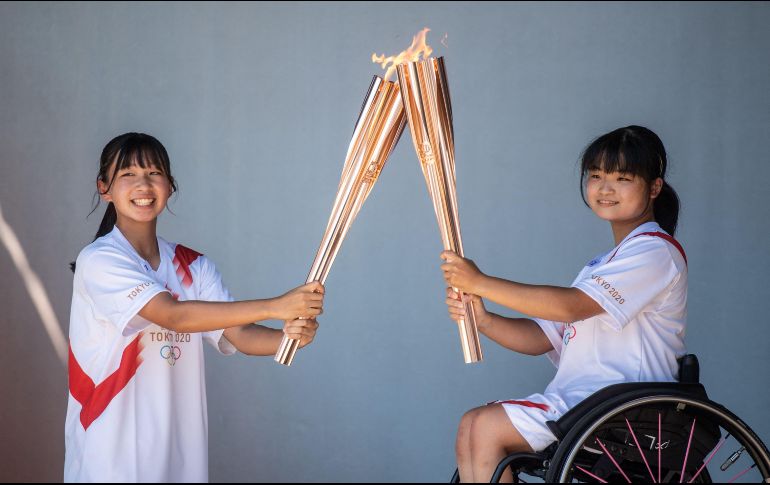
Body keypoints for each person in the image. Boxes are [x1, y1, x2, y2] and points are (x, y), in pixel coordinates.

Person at [64, 132, 324, 482]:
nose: (143, 184)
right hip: (112, 460)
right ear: (104, 187)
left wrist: (289, 337)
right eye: (128, 174)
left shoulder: (193, 265)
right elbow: (175, 316)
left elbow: (241, 335)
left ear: (170, 185)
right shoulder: (99, 260)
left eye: (154, 173)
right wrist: (277, 305)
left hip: (179, 462)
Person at [440, 125, 687, 482]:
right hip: (588, 403)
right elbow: (542, 337)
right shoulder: (604, 264)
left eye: (622, 178)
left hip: (626, 406)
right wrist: (483, 319)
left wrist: (481, 282)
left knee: (481, 426)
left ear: (654, 188)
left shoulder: (654, 251)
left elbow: (570, 307)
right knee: (474, 428)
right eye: (596, 175)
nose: (604, 188)